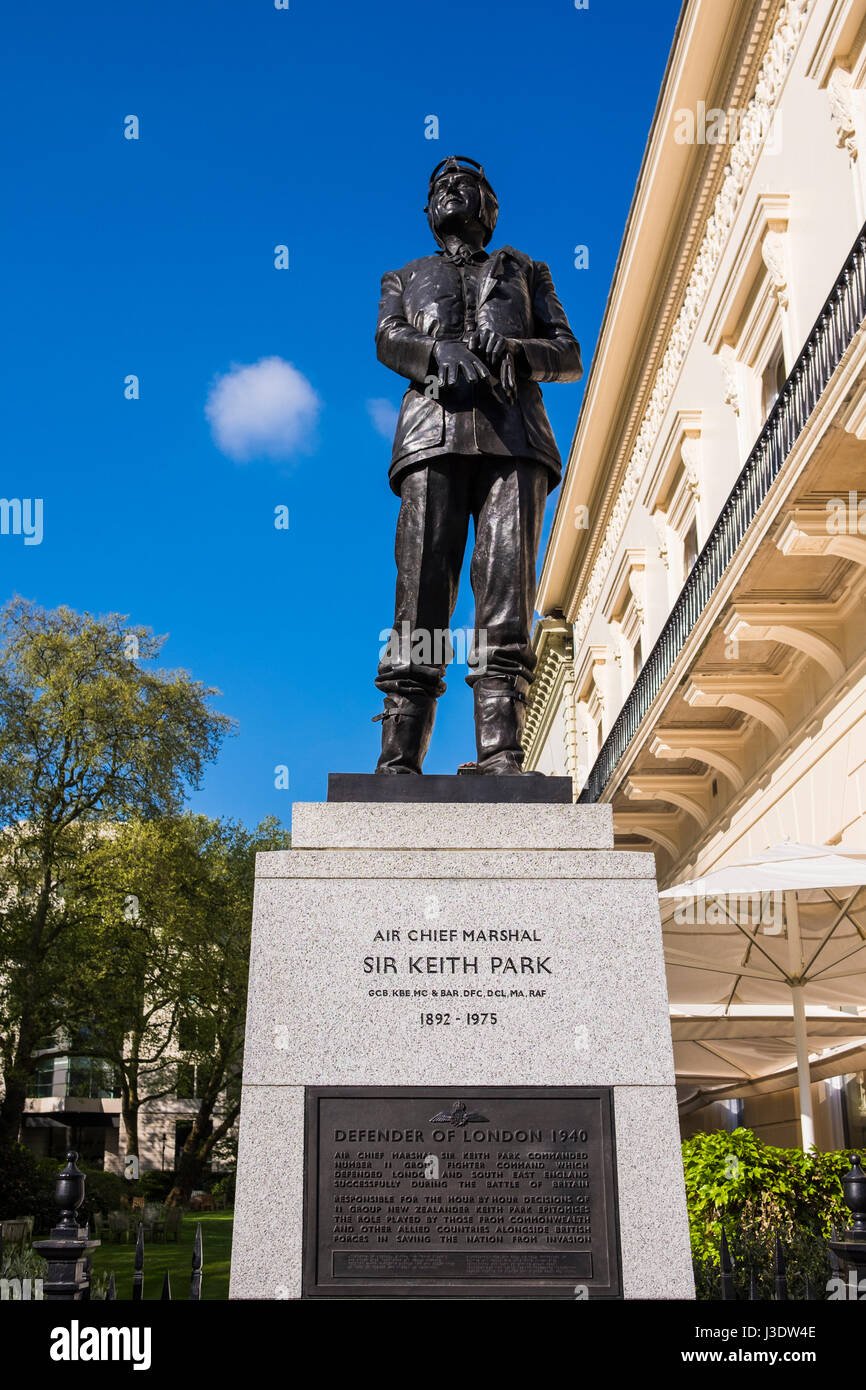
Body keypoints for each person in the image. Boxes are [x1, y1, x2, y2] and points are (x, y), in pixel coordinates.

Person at [374, 155, 582, 775]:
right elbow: (387, 338)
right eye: (438, 187)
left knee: (505, 596)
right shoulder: (403, 275)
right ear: (427, 212)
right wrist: (437, 351)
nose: (448, 191)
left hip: (513, 437)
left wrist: (517, 349)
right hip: (431, 438)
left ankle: (500, 752)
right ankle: (399, 756)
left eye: (464, 185)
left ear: (490, 208)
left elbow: (568, 353)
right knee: (419, 593)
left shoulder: (527, 271)